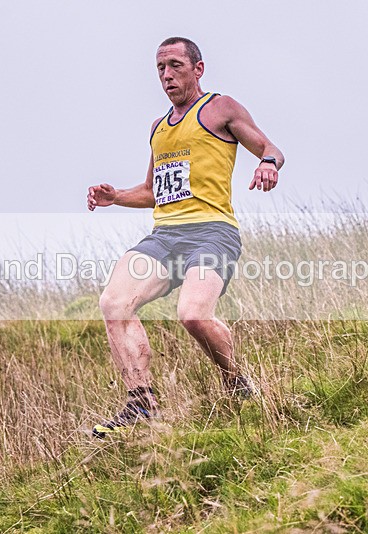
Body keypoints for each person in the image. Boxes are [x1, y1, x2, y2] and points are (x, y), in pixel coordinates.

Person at [86, 37, 284, 438]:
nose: (166, 75)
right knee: (114, 301)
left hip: (212, 233)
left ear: (198, 69)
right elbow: (154, 191)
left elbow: (270, 147)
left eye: (175, 65)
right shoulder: (158, 129)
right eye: (160, 68)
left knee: (193, 314)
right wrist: (116, 197)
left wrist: (266, 164)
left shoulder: (219, 108)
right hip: (164, 238)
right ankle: (141, 404)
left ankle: (236, 381)